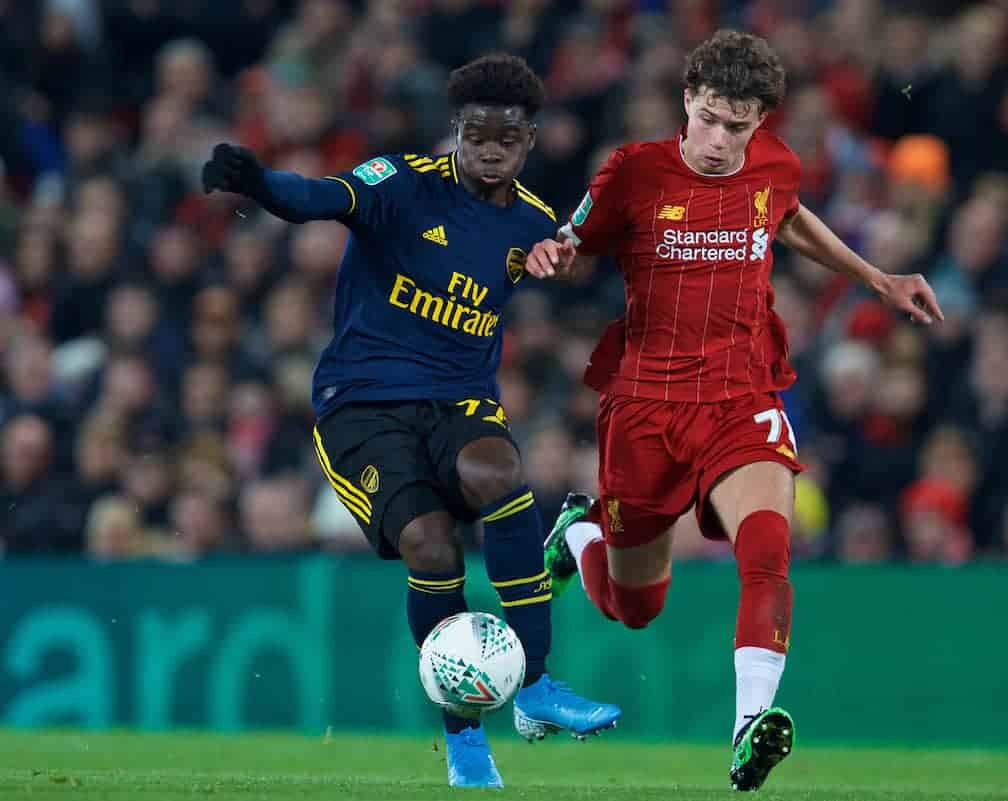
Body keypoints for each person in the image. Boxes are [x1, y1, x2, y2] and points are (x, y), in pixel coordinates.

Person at [524, 30, 942, 791]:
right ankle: (579, 530)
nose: (719, 141)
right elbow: (569, 237)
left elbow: (784, 214)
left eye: (737, 126)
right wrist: (550, 253)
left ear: (760, 124)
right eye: (710, 118)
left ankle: (749, 725)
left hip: (742, 395)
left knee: (768, 547)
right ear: (687, 100)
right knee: (634, 607)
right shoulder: (634, 171)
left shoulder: (775, 163)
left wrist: (876, 277)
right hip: (646, 408)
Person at [202, 54, 620, 789]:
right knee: (431, 547)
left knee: (499, 470)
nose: (492, 148)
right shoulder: (399, 183)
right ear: (456, 129)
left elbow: (574, 263)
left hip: (458, 398)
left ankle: (537, 686)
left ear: (529, 140)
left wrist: (577, 260)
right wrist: (260, 182)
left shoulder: (529, 222)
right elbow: (317, 197)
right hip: (361, 404)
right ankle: (464, 739)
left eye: (509, 137)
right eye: (478, 133)